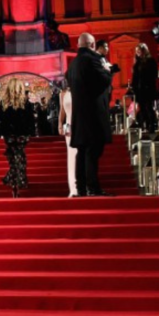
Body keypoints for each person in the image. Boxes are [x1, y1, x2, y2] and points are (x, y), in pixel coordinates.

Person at [66, 32, 114, 197]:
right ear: (92, 45)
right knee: (93, 150)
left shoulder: (73, 64)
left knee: (82, 151)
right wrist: (107, 70)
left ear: (78, 45)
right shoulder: (92, 60)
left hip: (79, 114)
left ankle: (81, 188)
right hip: (93, 114)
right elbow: (103, 80)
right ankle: (93, 187)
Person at [0, 78, 35, 197]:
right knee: (19, 158)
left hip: (9, 136)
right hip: (22, 135)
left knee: (13, 159)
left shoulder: (4, 103)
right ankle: (17, 182)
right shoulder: (26, 103)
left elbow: (0, 120)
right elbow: (30, 120)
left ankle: (13, 184)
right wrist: (31, 133)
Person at [130, 43, 158, 132]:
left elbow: (154, 75)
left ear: (144, 50)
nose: (138, 52)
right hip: (139, 89)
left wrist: (147, 84)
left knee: (149, 107)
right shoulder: (137, 62)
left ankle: (152, 125)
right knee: (142, 108)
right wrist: (133, 87)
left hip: (148, 88)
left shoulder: (150, 61)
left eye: (139, 50)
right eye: (136, 51)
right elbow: (135, 77)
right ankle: (144, 125)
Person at [58, 81, 77, 197]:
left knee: (79, 155)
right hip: (68, 127)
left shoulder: (79, 90)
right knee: (71, 155)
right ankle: (73, 188)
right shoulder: (62, 93)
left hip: (79, 125)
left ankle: (81, 184)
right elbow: (62, 111)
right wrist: (60, 123)